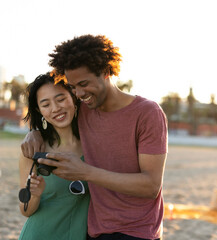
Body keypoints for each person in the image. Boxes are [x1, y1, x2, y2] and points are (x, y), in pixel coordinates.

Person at [21, 34, 168, 240]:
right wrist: (34, 133)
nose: (79, 93)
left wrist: (85, 172)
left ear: (106, 72)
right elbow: (56, 113)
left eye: (84, 83)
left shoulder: (148, 113)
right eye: (72, 87)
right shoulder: (85, 108)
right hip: (94, 230)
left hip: (136, 231)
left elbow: (151, 186)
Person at [18, 73, 90, 240]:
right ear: (39, 110)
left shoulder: (93, 146)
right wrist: (34, 194)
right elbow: (24, 209)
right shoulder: (33, 150)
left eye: (60, 99)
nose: (55, 108)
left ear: (73, 97)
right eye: (46, 104)